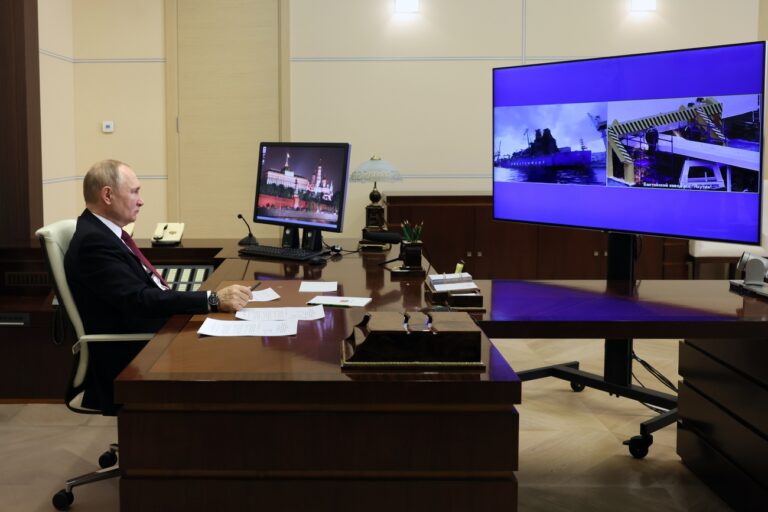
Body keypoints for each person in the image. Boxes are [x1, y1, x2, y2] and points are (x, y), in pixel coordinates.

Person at [64, 159, 251, 412]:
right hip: (133, 357)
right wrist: (211, 299)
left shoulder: (105, 234)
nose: (140, 200)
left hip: (150, 337)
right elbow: (139, 300)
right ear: (107, 195)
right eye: (134, 192)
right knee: (228, 359)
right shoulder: (94, 243)